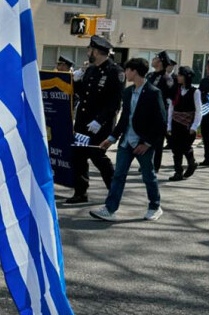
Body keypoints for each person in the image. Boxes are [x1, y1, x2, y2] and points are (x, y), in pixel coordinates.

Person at [89, 57, 166, 222]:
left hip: (143, 143)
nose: (125, 73)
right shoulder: (128, 92)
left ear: (135, 71)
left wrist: (147, 143)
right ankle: (110, 209)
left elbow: (160, 122)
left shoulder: (153, 93)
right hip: (126, 142)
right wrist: (111, 138)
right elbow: (124, 118)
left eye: (128, 70)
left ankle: (155, 206)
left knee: (148, 175)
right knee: (118, 175)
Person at [65, 35, 124, 204]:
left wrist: (100, 120)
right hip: (84, 122)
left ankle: (114, 191)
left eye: (90, 50)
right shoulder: (90, 70)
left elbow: (115, 102)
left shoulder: (115, 71)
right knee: (78, 156)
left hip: (100, 125)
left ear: (97, 51)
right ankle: (80, 192)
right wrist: (74, 81)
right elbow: (83, 94)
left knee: (98, 157)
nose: (88, 52)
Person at [166, 65, 202, 181]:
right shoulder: (175, 90)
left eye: (180, 75)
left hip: (188, 124)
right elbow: (171, 108)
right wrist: (169, 125)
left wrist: (195, 126)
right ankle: (178, 172)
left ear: (187, 77)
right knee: (176, 149)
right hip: (175, 122)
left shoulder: (195, 91)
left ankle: (192, 163)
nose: (178, 77)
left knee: (186, 147)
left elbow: (198, 110)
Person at [146, 51, 176, 172]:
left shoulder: (166, 78)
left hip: (159, 114)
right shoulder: (149, 75)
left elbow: (171, 96)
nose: (152, 60)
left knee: (158, 142)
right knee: (145, 139)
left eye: (155, 58)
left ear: (160, 62)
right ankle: (146, 162)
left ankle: (155, 165)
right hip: (147, 112)